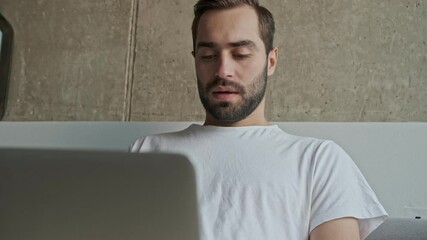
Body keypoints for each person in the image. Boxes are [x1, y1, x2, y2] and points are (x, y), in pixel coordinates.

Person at [130, 0, 388, 239]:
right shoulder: (148, 151)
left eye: (241, 54)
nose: (223, 71)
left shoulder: (319, 160)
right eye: (208, 56)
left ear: (271, 61)